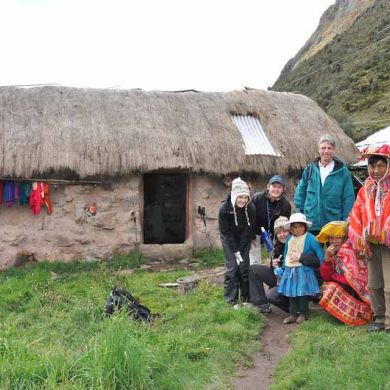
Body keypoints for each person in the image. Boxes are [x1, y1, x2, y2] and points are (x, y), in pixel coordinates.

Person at [348, 143, 390, 333]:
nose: (376, 170)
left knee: (389, 285)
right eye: (372, 166)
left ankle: (389, 322)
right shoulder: (366, 189)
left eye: (381, 166)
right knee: (374, 284)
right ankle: (379, 318)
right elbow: (357, 212)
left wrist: (385, 231)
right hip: (372, 244)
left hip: (388, 245)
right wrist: (360, 233)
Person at [294, 134, 355, 235]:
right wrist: (300, 213)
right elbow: (300, 192)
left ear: (333, 150)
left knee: (334, 250)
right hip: (312, 222)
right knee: (311, 251)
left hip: (334, 221)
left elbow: (348, 197)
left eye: (329, 148)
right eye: (323, 148)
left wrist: (346, 219)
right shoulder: (309, 170)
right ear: (319, 150)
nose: (326, 151)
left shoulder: (343, 171)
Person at [317, 221, 371, 326]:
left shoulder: (350, 251)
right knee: (327, 286)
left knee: (332, 287)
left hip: (356, 292)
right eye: (331, 238)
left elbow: (351, 279)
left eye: (338, 237)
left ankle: (351, 315)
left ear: (344, 238)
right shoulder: (333, 253)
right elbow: (326, 277)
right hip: (344, 287)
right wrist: (327, 260)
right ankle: (341, 314)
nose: (334, 241)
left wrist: (334, 277)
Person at [276, 213, 324, 324]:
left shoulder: (310, 238)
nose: (298, 230)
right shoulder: (289, 239)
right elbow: (286, 253)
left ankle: (304, 313)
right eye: (295, 227)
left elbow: (319, 253)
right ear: (291, 229)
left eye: (300, 227)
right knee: (291, 293)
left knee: (302, 293)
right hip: (290, 270)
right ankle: (293, 314)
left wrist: (322, 266)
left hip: (303, 270)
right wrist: (283, 267)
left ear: (305, 227)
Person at [219, 177, 256, 306]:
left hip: (243, 239)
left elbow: (249, 229)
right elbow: (225, 231)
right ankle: (231, 301)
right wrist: (235, 250)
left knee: (244, 268)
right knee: (232, 268)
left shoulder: (250, 208)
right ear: (234, 196)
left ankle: (246, 299)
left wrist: (241, 248)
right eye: (240, 197)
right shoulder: (224, 209)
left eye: (245, 197)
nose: (243, 200)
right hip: (229, 239)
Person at [249, 216, 290, 313]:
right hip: (279, 278)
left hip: (292, 281)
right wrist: (275, 265)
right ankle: (260, 304)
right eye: (278, 232)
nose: (282, 235)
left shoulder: (295, 243)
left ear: (290, 231)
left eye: (285, 231)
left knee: (271, 295)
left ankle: (293, 308)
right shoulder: (277, 246)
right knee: (253, 269)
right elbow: (274, 272)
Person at [250, 175, 291, 264]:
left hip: (272, 234)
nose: (276, 189)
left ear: (283, 189)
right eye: (274, 186)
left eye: (279, 187)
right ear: (268, 187)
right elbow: (249, 217)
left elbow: (284, 225)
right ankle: (255, 276)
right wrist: (251, 235)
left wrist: (281, 238)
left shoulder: (285, 205)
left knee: (275, 258)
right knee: (254, 260)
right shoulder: (257, 198)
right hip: (255, 232)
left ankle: (275, 275)